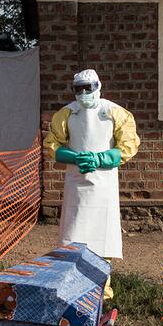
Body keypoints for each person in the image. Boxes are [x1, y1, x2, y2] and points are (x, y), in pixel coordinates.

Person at [42, 69, 140, 302]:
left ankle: (101, 291)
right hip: (76, 185)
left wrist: (101, 158)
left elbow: (129, 145)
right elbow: (52, 144)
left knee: (102, 239)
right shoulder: (66, 114)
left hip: (104, 186)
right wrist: (74, 157)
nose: (84, 93)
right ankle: (71, 288)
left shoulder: (115, 113)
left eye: (88, 88)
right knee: (72, 235)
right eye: (79, 89)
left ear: (98, 86)